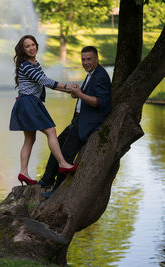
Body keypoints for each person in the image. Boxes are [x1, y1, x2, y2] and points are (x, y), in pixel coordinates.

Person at [38, 46, 112, 198]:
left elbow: (101, 103)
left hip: (87, 122)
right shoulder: (91, 74)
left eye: (89, 59)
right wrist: (77, 93)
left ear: (97, 59)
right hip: (78, 119)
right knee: (56, 146)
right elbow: (85, 95)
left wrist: (81, 95)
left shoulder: (101, 76)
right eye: (83, 59)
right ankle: (46, 181)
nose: (85, 63)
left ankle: (56, 191)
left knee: (66, 155)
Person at [10, 35, 79, 186]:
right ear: (22, 50)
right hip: (29, 103)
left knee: (30, 139)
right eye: (27, 46)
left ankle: (23, 172)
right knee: (51, 131)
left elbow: (44, 80)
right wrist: (68, 87)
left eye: (33, 44)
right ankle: (62, 163)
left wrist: (71, 92)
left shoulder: (34, 63)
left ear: (36, 46)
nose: (31, 48)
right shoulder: (26, 66)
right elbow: (45, 81)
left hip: (27, 102)